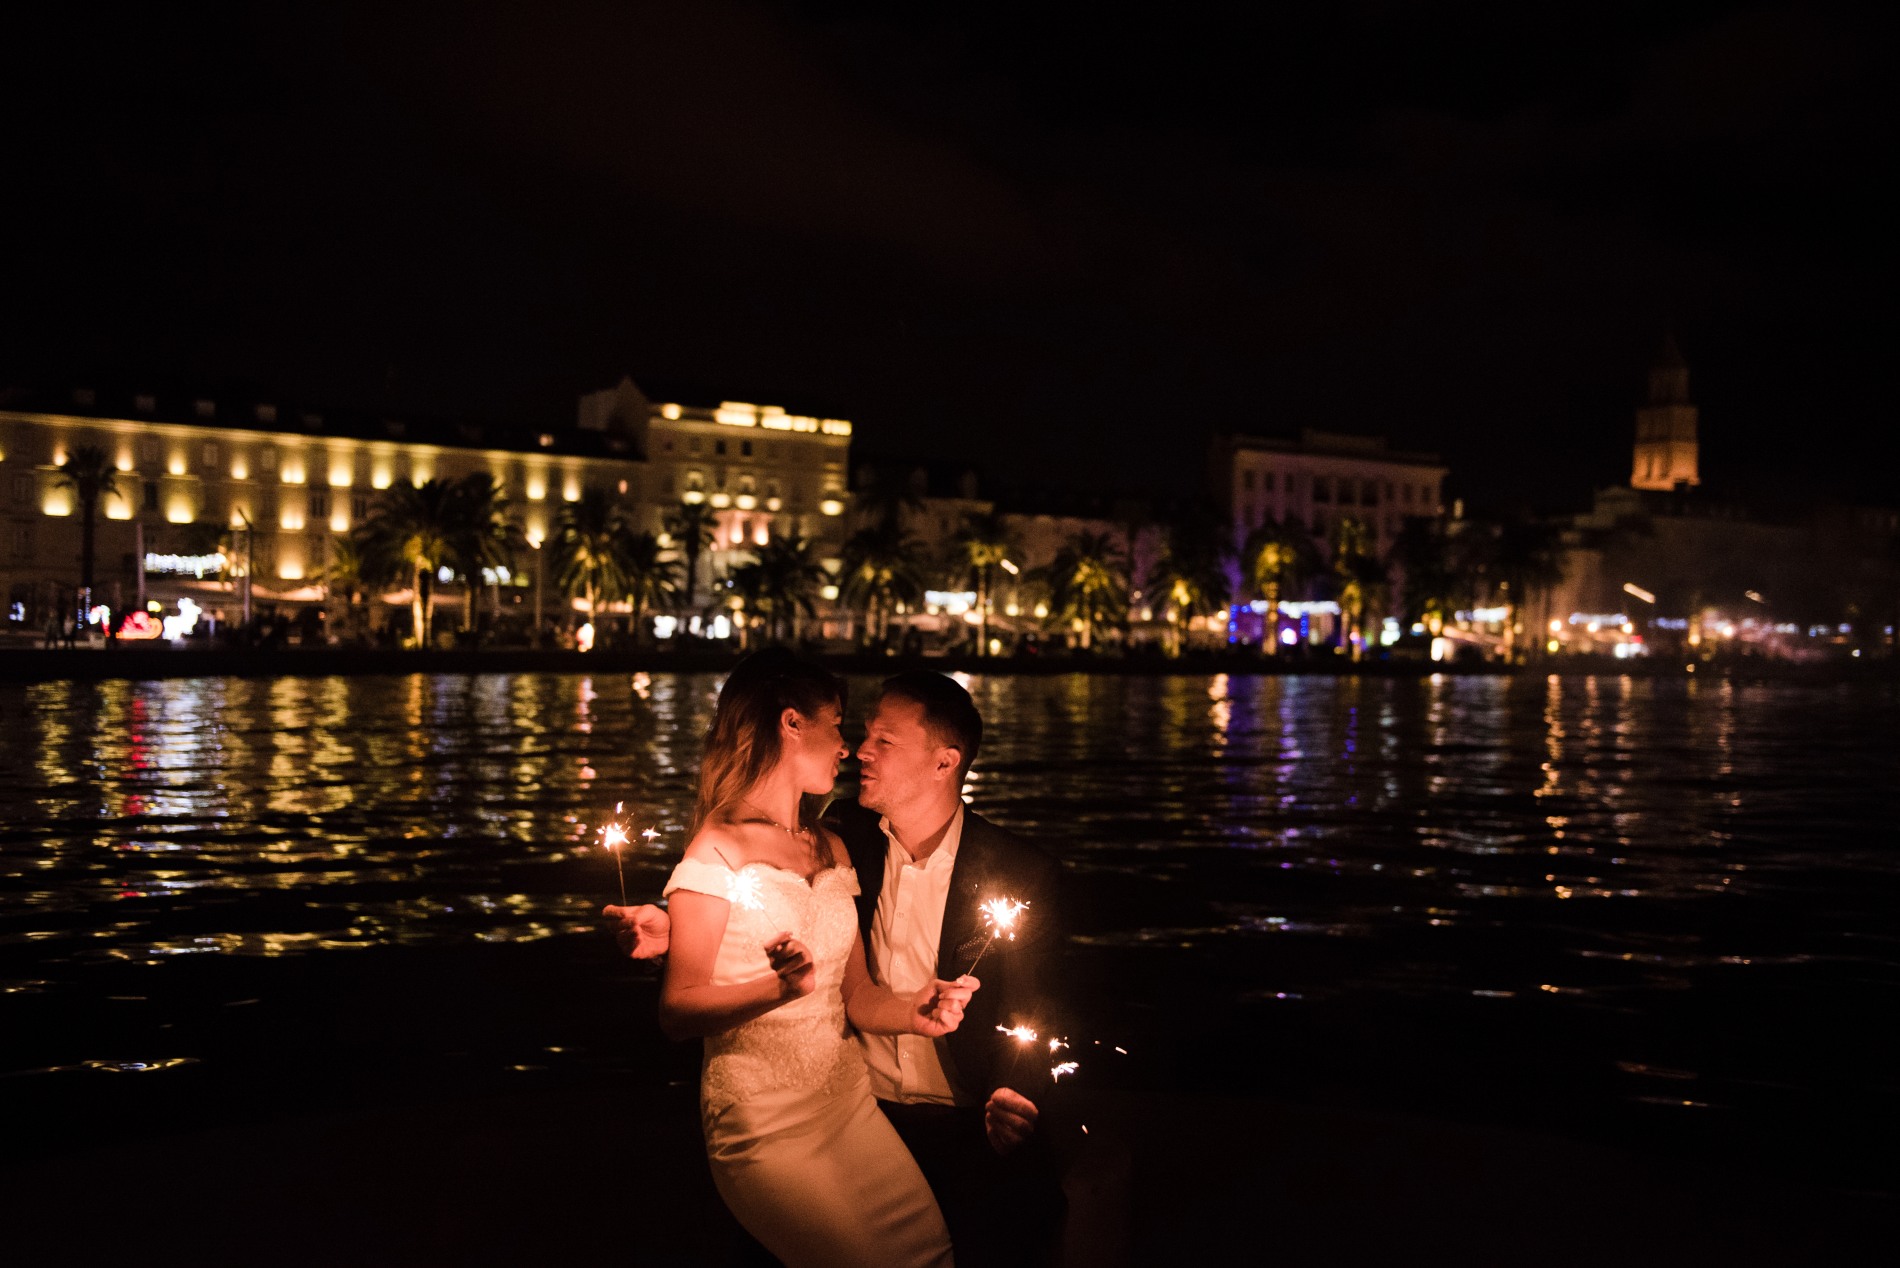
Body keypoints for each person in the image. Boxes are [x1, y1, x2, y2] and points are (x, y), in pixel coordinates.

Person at [612, 670, 1066, 1266]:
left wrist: (1000, 1076)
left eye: (885, 740)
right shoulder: (849, 830)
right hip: (837, 1103)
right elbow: (742, 909)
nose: (858, 749)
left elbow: (1037, 1002)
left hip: (951, 1115)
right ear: (791, 725)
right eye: (854, 731)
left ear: (944, 763)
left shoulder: (1011, 867)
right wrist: (681, 928)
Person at [655, 649, 976, 1268]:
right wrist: (779, 989)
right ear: (791, 723)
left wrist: (918, 1010)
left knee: (929, 1254)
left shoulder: (832, 844)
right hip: (763, 1122)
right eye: (837, 723)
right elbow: (677, 1008)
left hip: (846, 1103)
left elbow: (855, 995)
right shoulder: (718, 847)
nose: (847, 746)